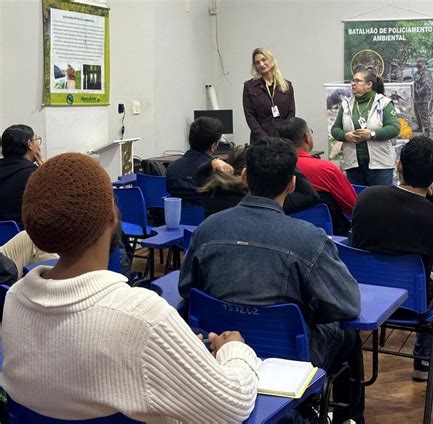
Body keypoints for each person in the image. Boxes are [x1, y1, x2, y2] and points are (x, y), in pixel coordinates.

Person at [2, 153, 259, 423]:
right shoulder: (142, 317)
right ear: (112, 216)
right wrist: (235, 350)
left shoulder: (15, 300)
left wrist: (176, 352)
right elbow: (233, 404)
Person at [180, 138, 364, 424]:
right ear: (291, 184)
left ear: (243, 176)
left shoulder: (206, 229)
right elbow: (348, 304)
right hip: (289, 353)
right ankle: (346, 417)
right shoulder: (308, 238)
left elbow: (187, 289)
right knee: (347, 334)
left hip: (221, 346)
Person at [351, 136, 433, 381]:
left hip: (365, 296)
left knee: (411, 260)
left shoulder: (366, 198)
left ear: (398, 165)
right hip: (413, 300)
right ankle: (424, 359)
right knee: (428, 273)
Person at [196, 142, 319, 217]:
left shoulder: (210, 191)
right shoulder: (269, 200)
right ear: (245, 174)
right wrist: (286, 161)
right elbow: (310, 195)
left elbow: (199, 173)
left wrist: (213, 161)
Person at [278, 117, 356, 235]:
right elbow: (353, 207)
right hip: (330, 237)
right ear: (306, 138)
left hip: (284, 234)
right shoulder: (326, 169)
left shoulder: (275, 168)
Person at [331, 70, 400, 186]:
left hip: (380, 165)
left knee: (381, 201)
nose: (353, 83)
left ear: (369, 84)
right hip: (353, 164)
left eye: (357, 81)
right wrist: (345, 136)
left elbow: (394, 128)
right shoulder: (346, 104)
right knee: (358, 200)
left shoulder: (384, 103)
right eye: (353, 81)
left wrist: (372, 134)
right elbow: (335, 129)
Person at [166, 116, 230, 204]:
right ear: (213, 146)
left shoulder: (171, 168)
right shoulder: (216, 172)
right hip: (207, 217)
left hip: (178, 217)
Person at [243, 48, 295, 143]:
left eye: (264, 60)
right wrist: (264, 138)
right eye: (257, 62)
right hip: (260, 139)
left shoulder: (287, 85)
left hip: (283, 138)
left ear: (271, 60)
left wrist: (284, 134)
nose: (261, 64)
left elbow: (291, 113)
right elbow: (250, 116)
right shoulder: (249, 87)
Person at [0, 124, 43, 228]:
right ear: (29, 144)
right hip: (24, 238)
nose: (38, 145)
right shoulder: (34, 174)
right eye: (36, 139)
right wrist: (45, 170)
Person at [414, 58, 433, 137]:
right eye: (417, 62)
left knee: (424, 113)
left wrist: (418, 92)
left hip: (423, 97)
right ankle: (420, 127)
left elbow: (426, 86)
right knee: (417, 113)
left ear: (424, 64)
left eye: (420, 62)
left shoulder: (426, 73)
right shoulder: (417, 73)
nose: (418, 63)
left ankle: (427, 130)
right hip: (417, 97)